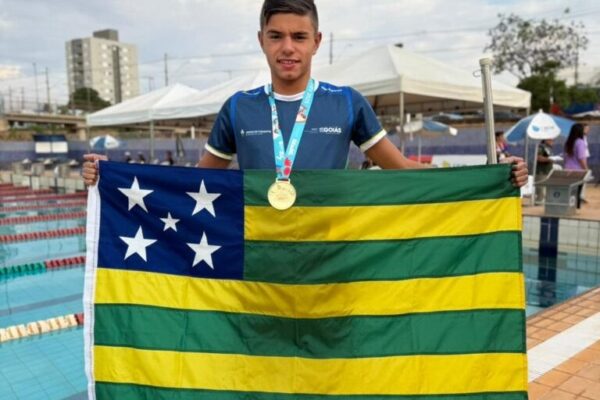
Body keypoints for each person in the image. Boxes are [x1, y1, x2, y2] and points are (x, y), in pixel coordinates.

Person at [82, 0, 527, 187]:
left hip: (329, 258)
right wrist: (112, 176)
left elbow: (404, 171)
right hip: (258, 258)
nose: (288, 48)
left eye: (299, 36)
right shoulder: (237, 109)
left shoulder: (347, 102)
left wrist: (491, 176)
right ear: (261, 41)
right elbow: (198, 182)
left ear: (317, 42)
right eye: (276, 36)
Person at [564, 123, 588, 208]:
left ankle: (568, 207)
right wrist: (586, 169)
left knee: (570, 191)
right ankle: (575, 208)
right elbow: (581, 158)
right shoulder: (580, 142)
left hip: (567, 170)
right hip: (578, 171)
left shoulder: (568, 142)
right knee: (577, 192)